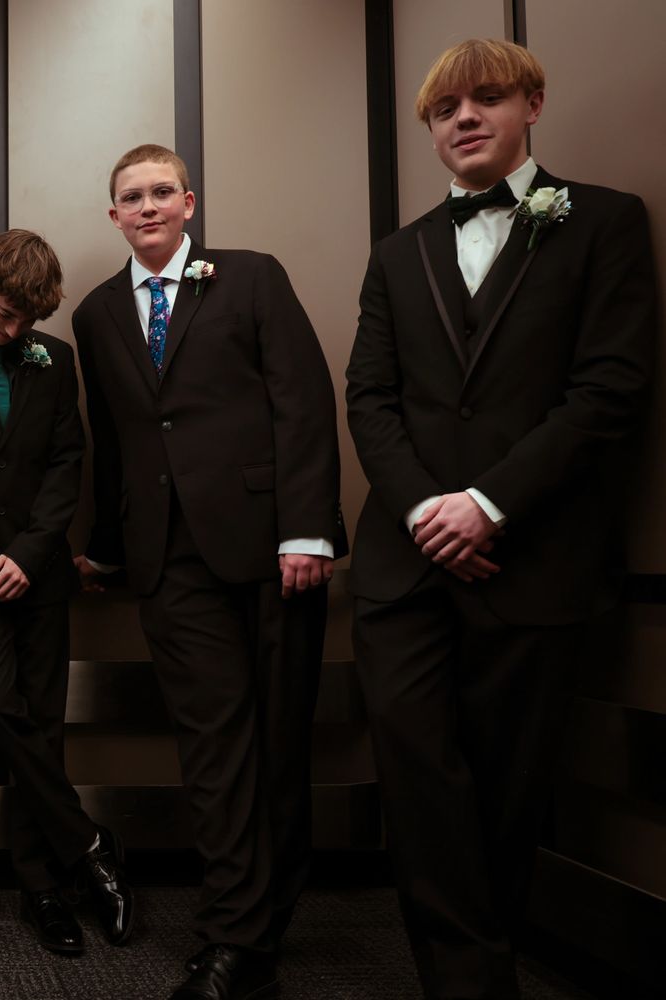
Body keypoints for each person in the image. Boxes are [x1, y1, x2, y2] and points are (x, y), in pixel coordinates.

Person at [345, 39, 655, 999]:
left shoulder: (604, 222)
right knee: (419, 782)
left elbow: (610, 386)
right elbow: (369, 397)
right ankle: (471, 986)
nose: (464, 119)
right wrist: (428, 511)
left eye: (486, 99)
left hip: (535, 561)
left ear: (533, 104)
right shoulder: (398, 253)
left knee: (510, 791)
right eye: (445, 110)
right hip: (405, 569)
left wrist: (489, 505)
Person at [73, 144, 344, 1000]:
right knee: (214, 748)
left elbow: (303, 400)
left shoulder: (253, 278)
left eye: (161, 192)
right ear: (112, 214)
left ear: (189, 203)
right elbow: (114, 440)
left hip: (271, 548)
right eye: (130, 197)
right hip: (167, 561)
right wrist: (107, 547)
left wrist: (307, 530)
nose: (147, 206)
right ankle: (234, 935)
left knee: (277, 740)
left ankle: (267, 913)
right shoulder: (97, 313)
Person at [0, 229, 132, 954]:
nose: (15, 331)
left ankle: (43, 888)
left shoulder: (54, 358)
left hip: (40, 575)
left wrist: (31, 554)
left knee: (46, 722)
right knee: (0, 707)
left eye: (27, 322)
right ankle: (90, 844)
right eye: (6, 314)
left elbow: (68, 463)